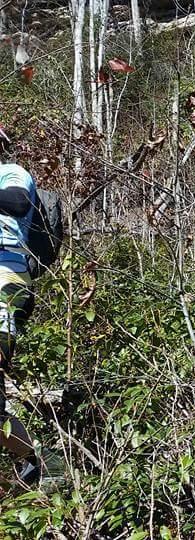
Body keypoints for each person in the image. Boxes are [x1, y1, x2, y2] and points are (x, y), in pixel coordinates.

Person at [0, 124, 41, 484]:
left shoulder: (12, 174)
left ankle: (31, 463)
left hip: (6, 276)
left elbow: (18, 202)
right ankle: (29, 464)